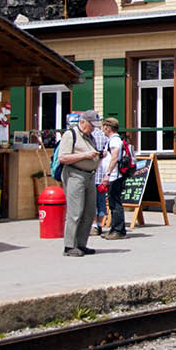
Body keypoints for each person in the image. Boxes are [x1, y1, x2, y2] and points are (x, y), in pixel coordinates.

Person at [58, 109, 101, 257]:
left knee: (89, 211)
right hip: (75, 175)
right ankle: (69, 246)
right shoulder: (71, 135)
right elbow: (63, 158)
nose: (93, 128)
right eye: (91, 125)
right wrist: (86, 155)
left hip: (90, 176)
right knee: (75, 212)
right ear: (82, 122)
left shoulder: (90, 137)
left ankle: (81, 244)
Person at [99, 117, 127, 241]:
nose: (102, 129)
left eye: (103, 127)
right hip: (113, 176)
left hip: (115, 176)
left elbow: (114, 158)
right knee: (112, 203)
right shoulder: (112, 140)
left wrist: (108, 174)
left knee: (115, 204)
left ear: (108, 128)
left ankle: (119, 230)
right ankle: (113, 229)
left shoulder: (115, 140)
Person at [91, 123, 108, 236]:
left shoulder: (88, 136)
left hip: (92, 173)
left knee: (91, 202)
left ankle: (93, 226)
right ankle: (100, 225)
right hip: (102, 174)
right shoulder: (105, 137)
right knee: (101, 201)